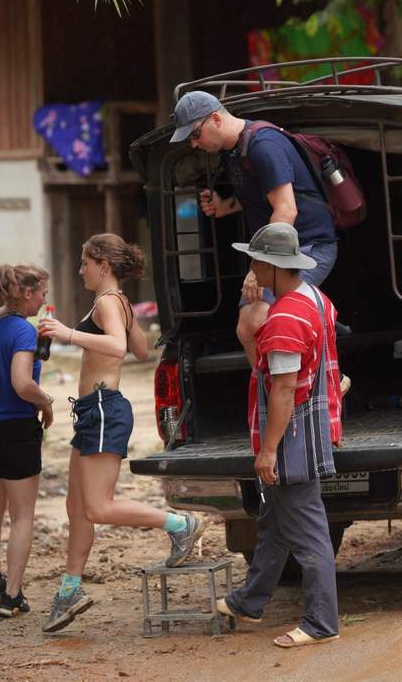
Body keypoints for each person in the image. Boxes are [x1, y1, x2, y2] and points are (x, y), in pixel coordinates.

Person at [36, 233, 206, 633]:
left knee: (97, 507)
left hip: (102, 409)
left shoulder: (109, 302)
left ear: (103, 265)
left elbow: (115, 347)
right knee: (77, 508)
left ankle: (181, 525)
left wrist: (67, 334)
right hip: (94, 412)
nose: (80, 270)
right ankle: (70, 590)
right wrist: (127, 325)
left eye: (84, 263)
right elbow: (142, 351)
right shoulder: (120, 303)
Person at [214, 222, 343, 648]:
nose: (250, 268)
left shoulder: (286, 318)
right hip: (308, 427)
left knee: (308, 532)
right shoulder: (316, 300)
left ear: (270, 266)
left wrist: (268, 450)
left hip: (292, 437)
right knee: (274, 521)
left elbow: (283, 389)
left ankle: (321, 622)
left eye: (255, 261)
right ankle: (248, 601)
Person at [171, 90, 339, 369]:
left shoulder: (263, 143)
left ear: (215, 119)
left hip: (309, 247)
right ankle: (273, 402)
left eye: (195, 134)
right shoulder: (232, 151)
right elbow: (262, 196)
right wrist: (225, 206)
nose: (194, 144)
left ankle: (314, 387)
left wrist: (258, 266)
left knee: (259, 320)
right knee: (248, 327)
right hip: (278, 254)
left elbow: (286, 209)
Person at [0, 264, 55, 619]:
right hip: (14, 427)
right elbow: (21, 383)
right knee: (22, 516)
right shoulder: (22, 331)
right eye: (43, 293)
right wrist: (44, 400)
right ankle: (12, 595)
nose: (45, 300)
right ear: (28, 293)